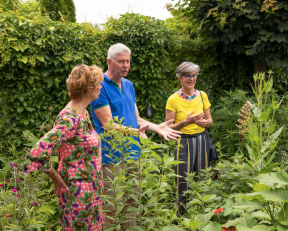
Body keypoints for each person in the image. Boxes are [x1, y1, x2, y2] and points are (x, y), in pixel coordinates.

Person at [90, 43, 181, 227]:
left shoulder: (129, 85)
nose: (126, 65)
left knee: (132, 202)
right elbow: (108, 125)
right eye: (121, 61)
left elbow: (136, 119)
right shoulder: (100, 87)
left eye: (128, 61)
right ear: (109, 62)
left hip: (133, 153)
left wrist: (156, 127)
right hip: (111, 155)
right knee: (112, 205)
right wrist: (135, 132)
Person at [28, 65, 105, 230]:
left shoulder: (82, 112)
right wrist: (55, 177)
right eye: (99, 83)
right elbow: (38, 151)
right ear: (89, 88)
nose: (101, 87)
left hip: (92, 193)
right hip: (77, 196)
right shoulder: (70, 118)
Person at [165, 61, 213, 216]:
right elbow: (168, 127)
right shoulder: (173, 99)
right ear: (180, 77)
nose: (192, 79)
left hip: (202, 139)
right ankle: (181, 217)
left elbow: (210, 120)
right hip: (183, 141)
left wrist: (205, 123)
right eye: (188, 76)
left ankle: (202, 214)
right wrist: (186, 122)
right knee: (183, 180)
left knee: (203, 177)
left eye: (194, 75)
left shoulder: (202, 95)